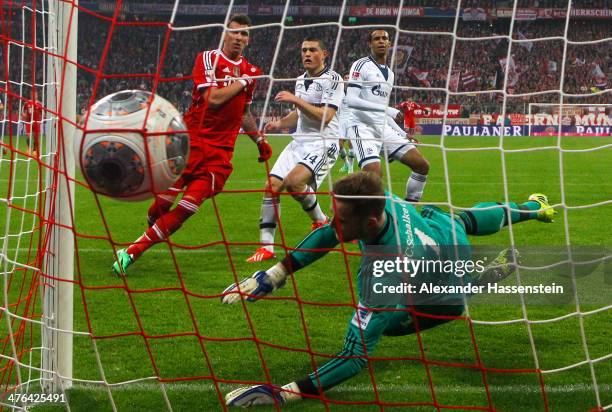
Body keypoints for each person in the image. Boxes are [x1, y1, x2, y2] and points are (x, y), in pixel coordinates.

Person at [221, 172, 556, 407]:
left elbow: (354, 357)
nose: (332, 224)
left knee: (392, 324)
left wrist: (285, 392)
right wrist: (275, 274)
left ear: (368, 224)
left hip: (443, 278)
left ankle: (483, 277)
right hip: (438, 230)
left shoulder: (385, 275)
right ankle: (534, 208)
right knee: (464, 219)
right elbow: (328, 233)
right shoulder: (381, 201)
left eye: (341, 220)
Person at [112, 14, 272, 275]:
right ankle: (154, 225)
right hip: (191, 143)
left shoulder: (252, 71)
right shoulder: (209, 59)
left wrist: (259, 139)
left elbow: (244, 113)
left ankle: (131, 251)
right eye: (235, 32)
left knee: (188, 207)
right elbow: (213, 99)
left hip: (221, 154)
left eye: (244, 34)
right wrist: (242, 81)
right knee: (160, 207)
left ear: (249, 39)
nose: (239, 38)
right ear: (225, 33)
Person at [247, 37, 343, 263]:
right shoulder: (301, 79)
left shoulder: (334, 80)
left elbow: (326, 117)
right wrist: (280, 124)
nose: (307, 54)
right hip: (298, 142)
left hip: (323, 142)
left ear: (324, 53)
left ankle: (321, 221)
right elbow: (299, 115)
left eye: (312, 50)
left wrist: (295, 100)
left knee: (294, 183)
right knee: (272, 187)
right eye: (303, 50)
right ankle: (267, 247)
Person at [346, 30, 430, 202]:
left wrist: (401, 132)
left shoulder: (390, 74)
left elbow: (381, 109)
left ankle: (409, 213)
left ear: (390, 44)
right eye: (376, 39)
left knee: (421, 165)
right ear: (370, 44)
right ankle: (366, 218)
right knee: (374, 176)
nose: (381, 41)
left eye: (384, 38)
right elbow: (351, 100)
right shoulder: (361, 65)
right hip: (362, 127)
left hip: (382, 127)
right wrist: (388, 110)